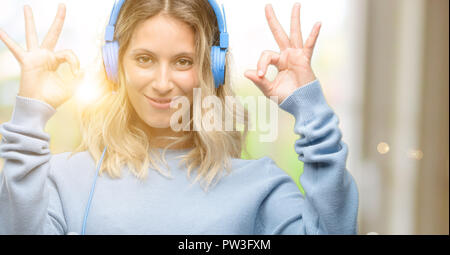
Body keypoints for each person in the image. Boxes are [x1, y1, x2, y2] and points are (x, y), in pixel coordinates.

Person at [0, 0, 359, 235]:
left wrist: (309, 107)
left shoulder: (260, 187)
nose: (161, 83)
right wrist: (30, 114)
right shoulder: (61, 180)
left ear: (211, 70)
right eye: (144, 59)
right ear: (115, 66)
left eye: (183, 62)